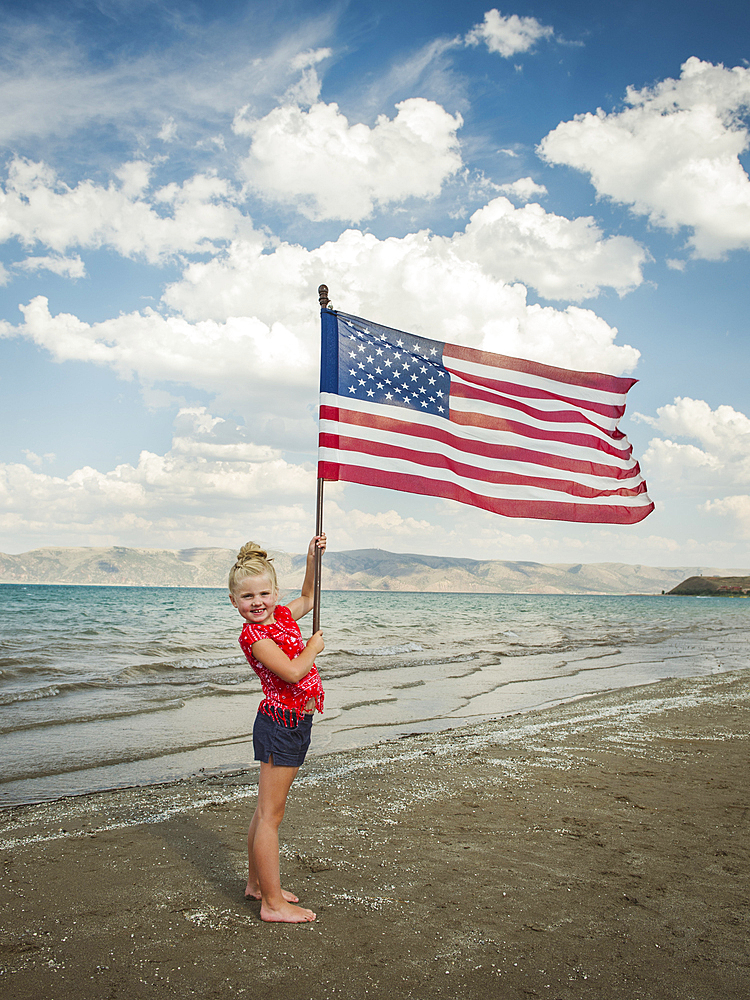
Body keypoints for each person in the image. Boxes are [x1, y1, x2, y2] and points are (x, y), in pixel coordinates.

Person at [228, 534, 326, 923]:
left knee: (265, 811)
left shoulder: (282, 616)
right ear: (234, 602)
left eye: (265, 594)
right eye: (248, 597)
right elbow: (291, 670)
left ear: (274, 593)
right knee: (271, 816)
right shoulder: (255, 637)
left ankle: (257, 885)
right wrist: (313, 648)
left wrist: (311, 558)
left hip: (296, 722)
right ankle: (272, 903)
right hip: (280, 724)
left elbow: (310, 596)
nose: (258, 603)